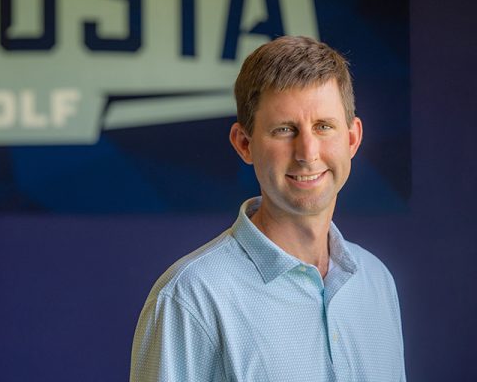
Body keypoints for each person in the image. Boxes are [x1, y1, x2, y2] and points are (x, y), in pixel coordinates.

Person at [130, 36, 405, 381]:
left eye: (323, 127)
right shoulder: (191, 298)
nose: (307, 152)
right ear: (244, 144)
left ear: (351, 138)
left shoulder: (376, 281)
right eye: (285, 129)